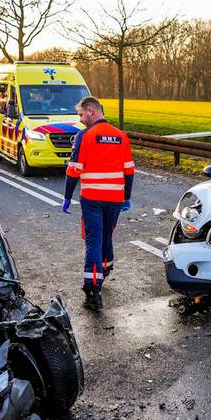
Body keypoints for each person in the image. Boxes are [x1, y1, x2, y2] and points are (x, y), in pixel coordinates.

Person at [62, 97, 135, 311]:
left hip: (92, 198)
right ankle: (105, 269)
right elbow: (129, 170)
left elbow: (74, 169)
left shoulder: (85, 136)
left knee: (93, 241)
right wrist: (127, 197)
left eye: (81, 115)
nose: (81, 119)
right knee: (107, 235)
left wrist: (67, 196)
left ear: (91, 111)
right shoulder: (121, 136)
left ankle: (93, 291)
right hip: (115, 198)